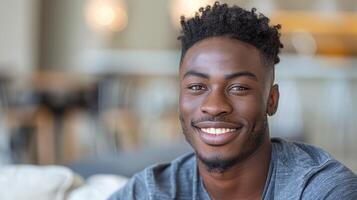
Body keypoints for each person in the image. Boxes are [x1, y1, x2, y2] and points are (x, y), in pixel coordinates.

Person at [109, 2, 357, 199]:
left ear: (271, 100)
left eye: (238, 88)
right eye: (196, 87)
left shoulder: (323, 190)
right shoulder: (153, 191)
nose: (215, 106)